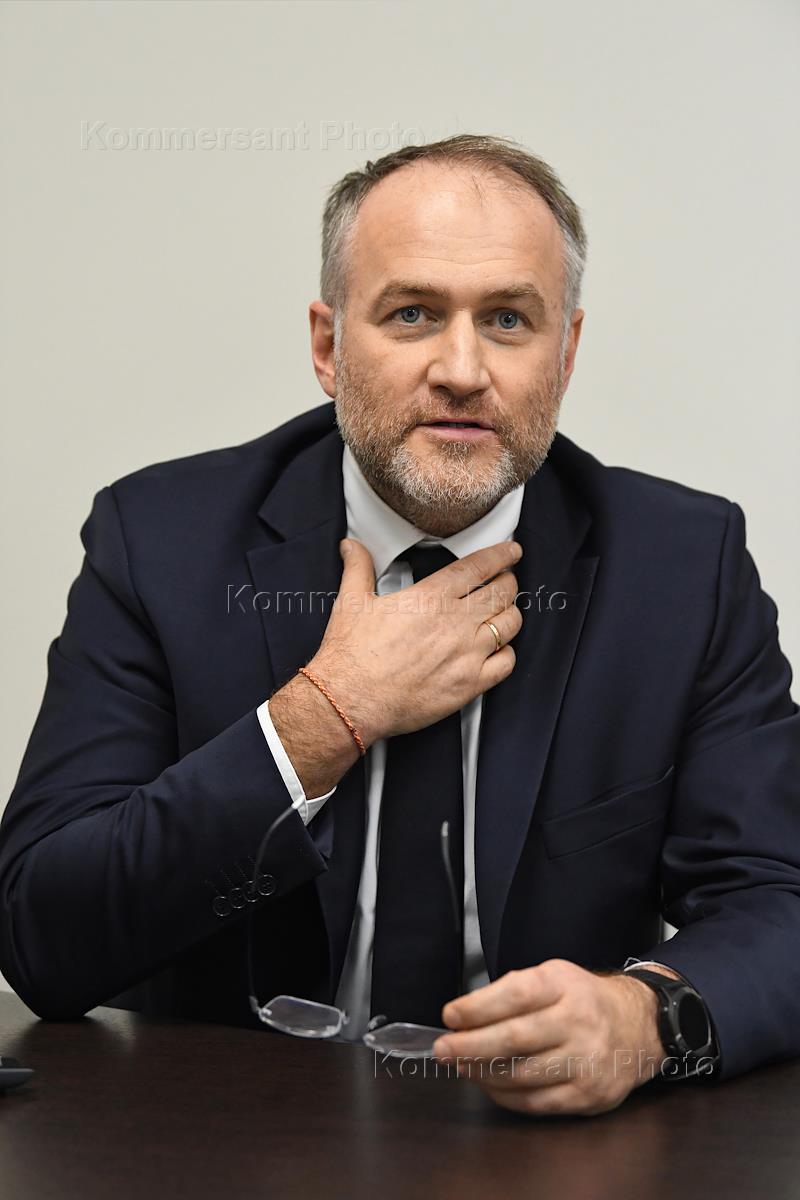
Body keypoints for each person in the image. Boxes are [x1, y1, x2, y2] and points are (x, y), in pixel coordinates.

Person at [1, 135, 798, 1119]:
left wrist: (647, 1018)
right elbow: (43, 936)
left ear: (565, 353)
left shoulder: (680, 568)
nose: (461, 369)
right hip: (232, 1137)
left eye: (508, 319)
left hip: (542, 1150)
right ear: (328, 346)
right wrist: (325, 715)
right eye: (412, 313)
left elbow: (779, 901)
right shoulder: (161, 544)